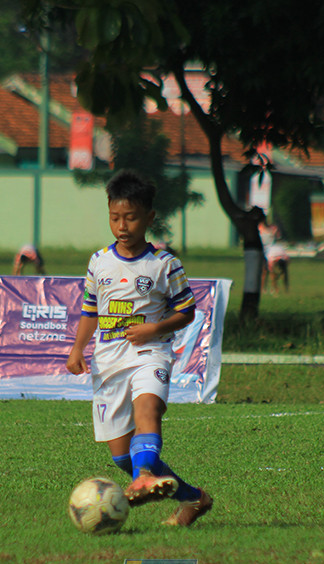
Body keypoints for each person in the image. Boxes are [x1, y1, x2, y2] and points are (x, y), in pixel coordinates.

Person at [65, 169, 213, 527]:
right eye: (115, 217)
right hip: (108, 361)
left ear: (149, 217)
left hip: (151, 353)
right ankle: (194, 498)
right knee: (121, 457)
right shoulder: (98, 261)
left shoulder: (164, 264)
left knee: (148, 410)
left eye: (130, 217)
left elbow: (187, 311)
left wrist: (155, 328)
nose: (122, 225)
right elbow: (91, 310)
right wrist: (77, 349)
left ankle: (145, 473)